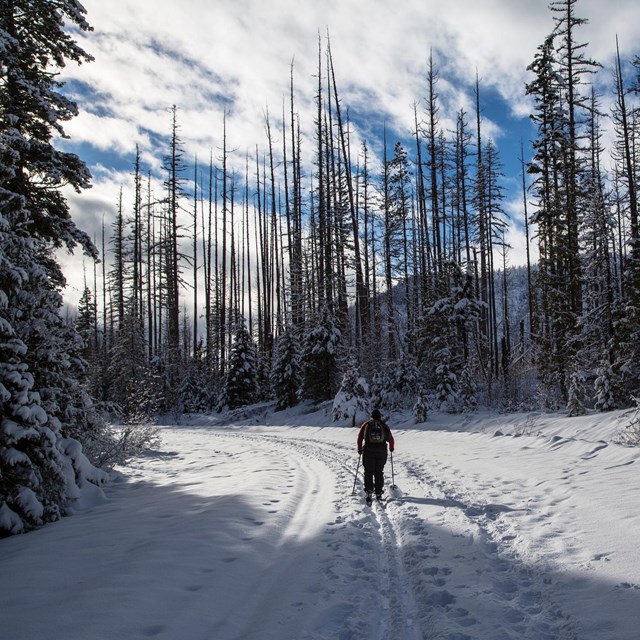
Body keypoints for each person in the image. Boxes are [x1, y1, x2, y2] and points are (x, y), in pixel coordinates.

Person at [357, 409, 394, 502]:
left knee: (368, 472)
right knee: (379, 472)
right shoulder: (383, 425)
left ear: (371, 416)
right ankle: (378, 492)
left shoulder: (366, 425)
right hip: (381, 452)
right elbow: (391, 438)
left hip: (368, 451)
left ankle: (369, 491)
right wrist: (391, 448)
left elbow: (360, 437)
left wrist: (360, 448)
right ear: (380, 416)